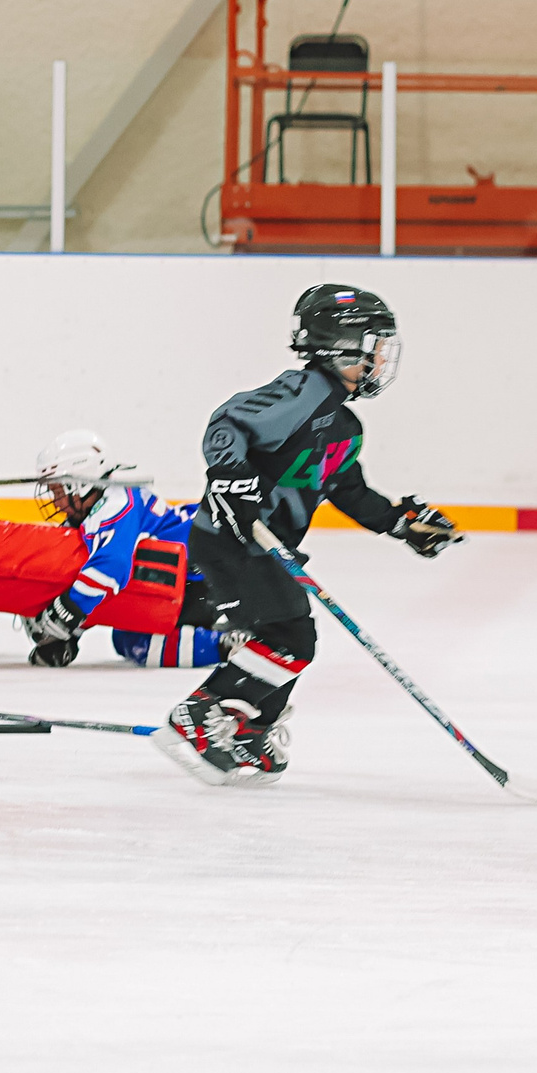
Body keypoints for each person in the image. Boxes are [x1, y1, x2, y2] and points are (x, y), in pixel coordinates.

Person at [159, 284, 462, 788]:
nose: (380, 359)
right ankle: (197, 716)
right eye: (373, 345)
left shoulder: (344, 424)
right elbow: (227, 423)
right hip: (234, 541)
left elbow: (347, 490)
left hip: (268, 548)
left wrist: (400, 523)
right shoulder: (303, 394)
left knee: (290, 638)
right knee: (291, 638)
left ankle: (251, 730)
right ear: (340, 344)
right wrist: (231, 478)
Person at [10, 428, 235, 671]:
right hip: (183, 576)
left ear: (81, 483)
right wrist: (68, 634)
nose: (55, 502)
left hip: (197, 579)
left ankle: (229, 645)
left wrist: (66, 615)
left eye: (58, 490)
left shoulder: (116, 502)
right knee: (125, 632)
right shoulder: (97, 507)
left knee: (135, 641)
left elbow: (112, 567)